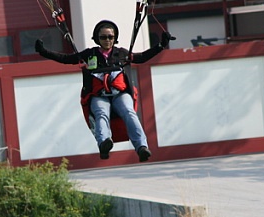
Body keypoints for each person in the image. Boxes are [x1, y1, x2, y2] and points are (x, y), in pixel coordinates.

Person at [35, 19, 172, 162]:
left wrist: (161, 45)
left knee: (129, 112)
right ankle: (104, 143)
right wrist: (44, 52)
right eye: (103, 37)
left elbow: (142, 57)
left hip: (120, 94)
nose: (107, 40)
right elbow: (66, 59)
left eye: (110, 37)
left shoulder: (122, 53)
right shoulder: (89, 54)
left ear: (115, 38)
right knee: (101, 113)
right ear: (97, 38)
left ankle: (141, 147)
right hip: (99, 95)